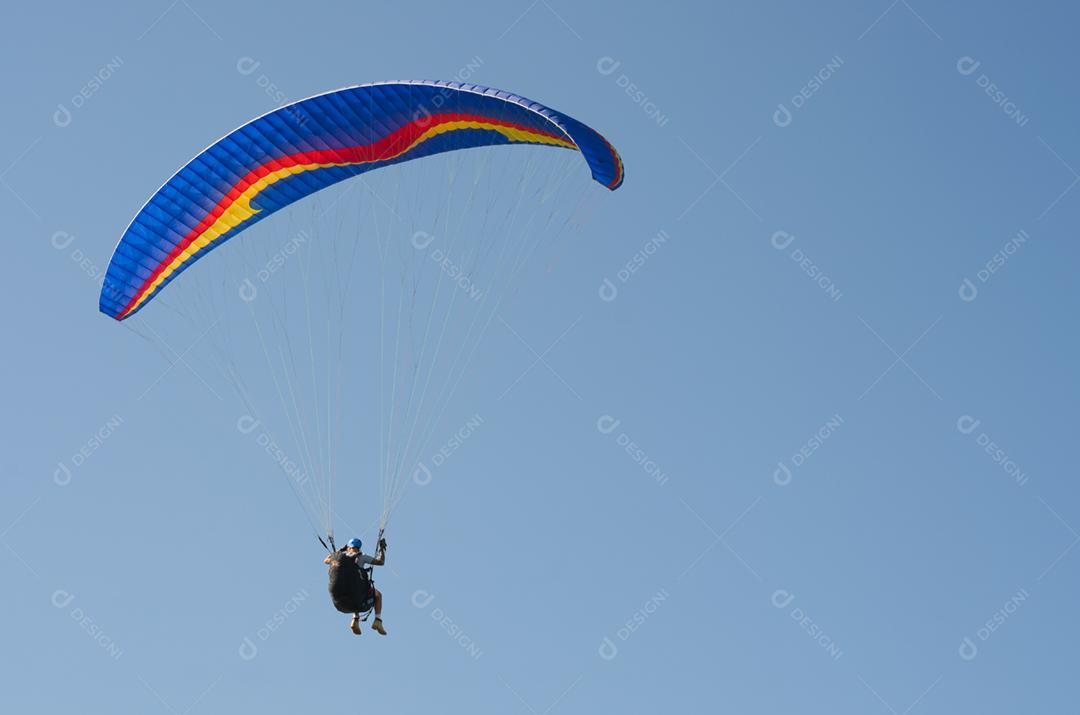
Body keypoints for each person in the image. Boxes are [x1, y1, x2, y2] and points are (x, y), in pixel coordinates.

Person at [324, 537, 387, 636]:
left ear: (348, 547)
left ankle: (355, 620)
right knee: (377, 594)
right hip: (356, 596)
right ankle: (378, 620)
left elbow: (326, 560)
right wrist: (382, 549)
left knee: (355, 589)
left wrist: (340, 550)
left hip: (338, 601)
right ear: (359, 548)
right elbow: (381, 562)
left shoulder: (340, 555)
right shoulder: (362, 557)